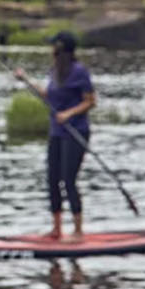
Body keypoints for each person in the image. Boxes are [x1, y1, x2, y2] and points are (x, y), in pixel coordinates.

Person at [15, 31, 96, 240]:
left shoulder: (79, 72)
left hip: (76, 131)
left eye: (53, 47)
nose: (50, 50)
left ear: (61, 49)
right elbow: (48, 94)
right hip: (57, 132)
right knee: (53, 179)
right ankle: (57, 229)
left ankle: (78, 231)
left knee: (68, 180)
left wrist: (68, 114)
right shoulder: (55, 71)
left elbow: (90, 101)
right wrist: (26, 80)